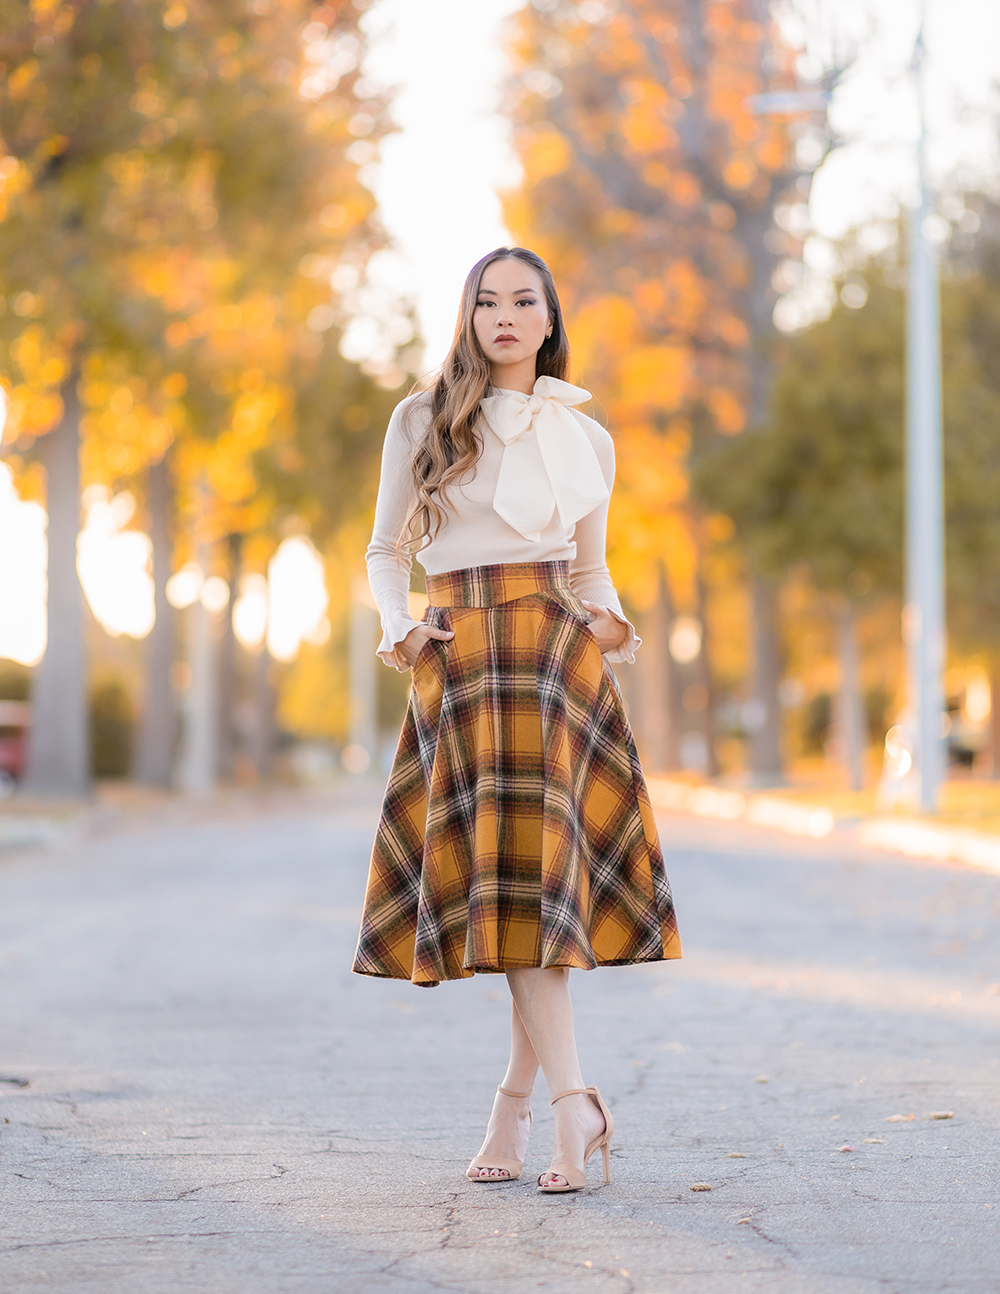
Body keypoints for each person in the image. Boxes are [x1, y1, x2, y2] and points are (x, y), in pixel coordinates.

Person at [354, 246, 681, 1193]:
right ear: (469, 318)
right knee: (511, 891)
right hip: (461, 657)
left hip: (556, 662)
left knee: (534, 894)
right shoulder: (420, 419)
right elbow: (386, 550)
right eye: (486, 301)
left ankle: (531, 1110)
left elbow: (589, 572)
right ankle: (563, 1107)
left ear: (548, 321)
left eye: (522, 301)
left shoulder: (588, 436)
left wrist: (615, 627)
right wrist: (401, 631)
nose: (503, 315)